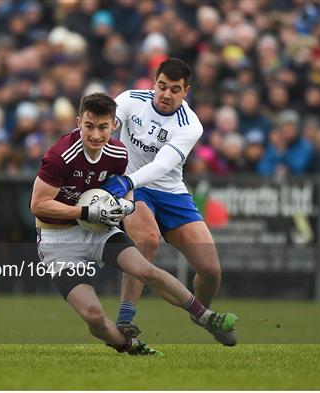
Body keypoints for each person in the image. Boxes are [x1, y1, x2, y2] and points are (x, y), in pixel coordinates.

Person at [30, 92, 237, 356]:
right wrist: (84, 212)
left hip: (98, 230)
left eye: (103, 127)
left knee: (147, 270)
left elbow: (124, 187)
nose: (95, 135)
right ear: (79, 121)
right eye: (89, 126)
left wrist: (127, 204)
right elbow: (37, 205)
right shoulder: (60, 156)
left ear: (114, 125)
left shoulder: (117, 152)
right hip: (58, 240)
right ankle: (128, 345)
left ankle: (206, 316)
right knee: (93, 316)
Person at [101, 58, 238, 346]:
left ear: (185, 91)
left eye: (174, 89)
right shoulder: (129, 100)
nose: (165, 94)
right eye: (161, 86)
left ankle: (200, 313)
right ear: (154, 82)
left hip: (170, 193)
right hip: (135, 190)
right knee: (148, 242)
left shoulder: (190, 125)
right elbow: (103, 125)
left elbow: (163, 166)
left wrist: (128, 180)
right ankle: (125, 317)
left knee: (211, 271)